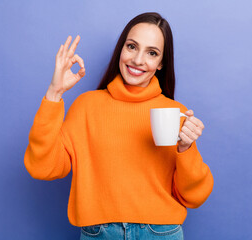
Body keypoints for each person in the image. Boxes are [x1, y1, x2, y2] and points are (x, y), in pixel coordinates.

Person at [24, 12, 214, 240]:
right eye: (132, 47)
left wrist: (186, 149)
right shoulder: (87, 106)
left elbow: (194, 197)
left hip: (160, 233)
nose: (137, 60)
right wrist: (54, 93)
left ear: (161, 63)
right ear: (121, 49)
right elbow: (42, 167)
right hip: (100, 234)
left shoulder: (175, 113)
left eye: (152, 53)